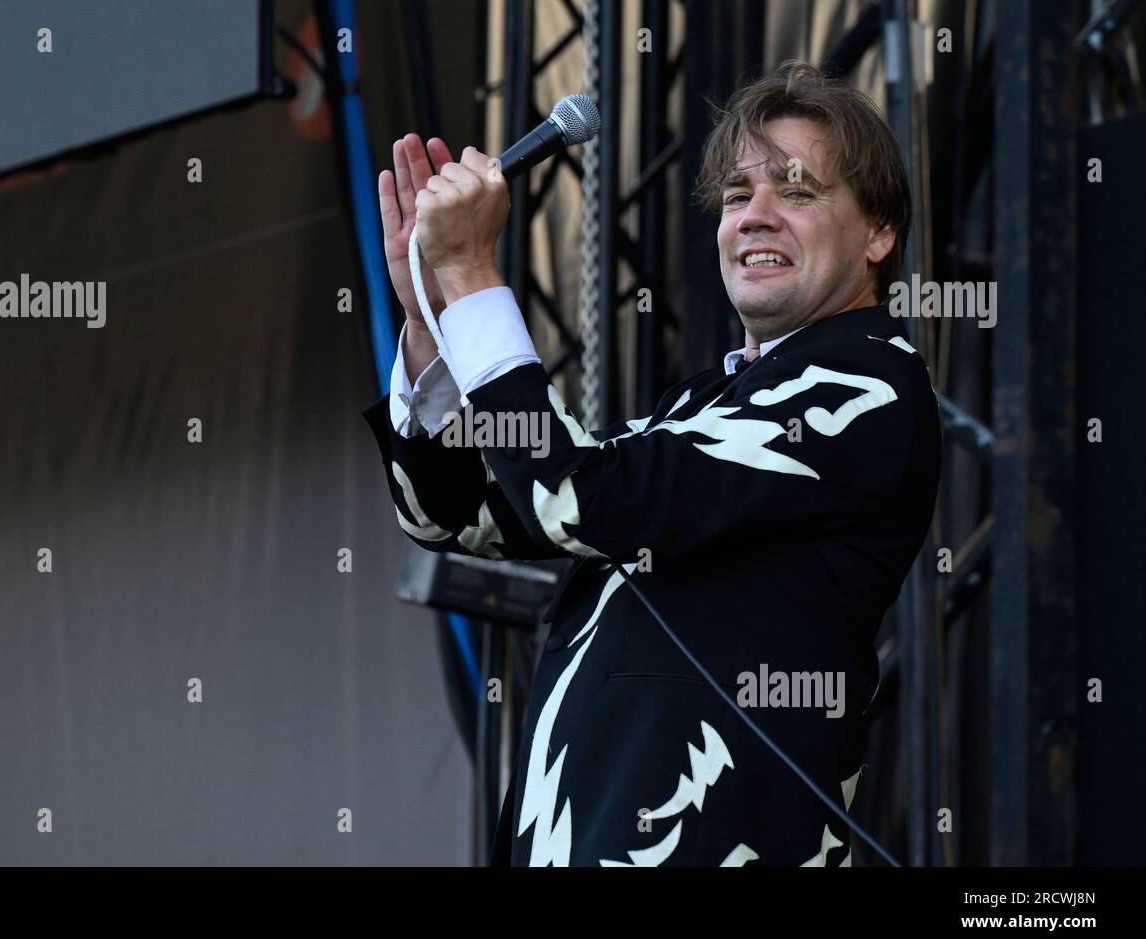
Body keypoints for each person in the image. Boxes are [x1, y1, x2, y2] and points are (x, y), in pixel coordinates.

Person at [362, 61, 941, 866]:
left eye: (798, 192)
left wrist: (470, 277)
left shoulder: (868, 385)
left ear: (879, 233)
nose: (756, 218)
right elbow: (458, 514)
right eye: (738, 196)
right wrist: (432, 325)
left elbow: (572, 494)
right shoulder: (700, 405)